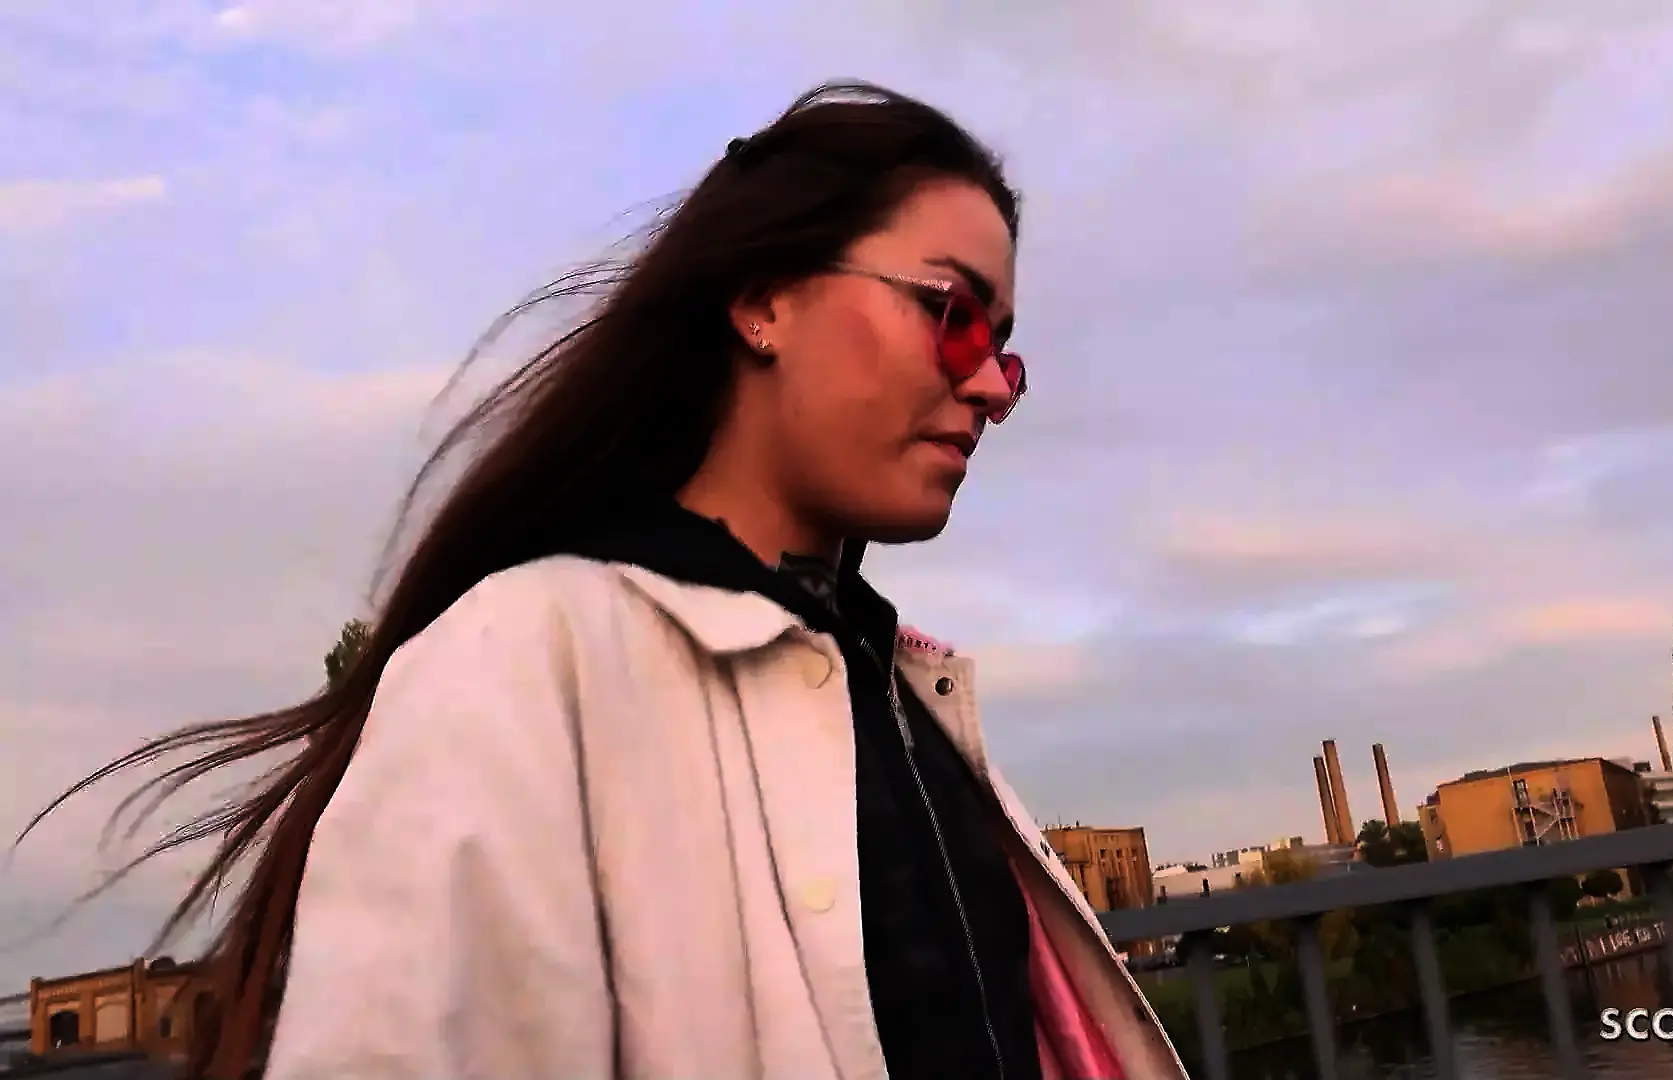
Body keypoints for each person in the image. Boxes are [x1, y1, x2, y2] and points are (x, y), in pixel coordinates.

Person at [29, 83, 1186, 1080]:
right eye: (953, 315)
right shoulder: (518, 667)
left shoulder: (903, 701)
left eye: (1005, 349)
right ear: (764, 299)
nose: (989, 386)